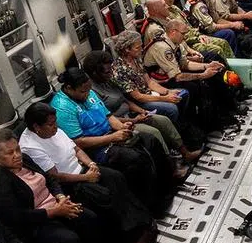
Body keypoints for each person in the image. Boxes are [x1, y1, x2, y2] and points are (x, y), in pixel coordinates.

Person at [19, 102, 157, 243]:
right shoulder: (30, 147)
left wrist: (91, 164)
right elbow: (54, 176)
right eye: (51, 125)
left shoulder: (53, 130)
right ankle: (126, 241)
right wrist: (85, 177)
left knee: (116, 178)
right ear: (37, 127)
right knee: (104, 196)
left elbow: (77, 149)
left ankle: (143, 225)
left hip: (83, 169)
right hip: (70, 183)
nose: (56, 127)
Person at [51, 68, 173, 203]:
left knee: (151, 140)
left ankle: (167, 188)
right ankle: (150, 201)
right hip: (94, 147)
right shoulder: (61, 107)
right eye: (83, 91)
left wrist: (122, 127)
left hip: (111, 134)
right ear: (69, 88)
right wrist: (112, 138)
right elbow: (78, 142)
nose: (87, 94)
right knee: (135, 159)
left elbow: (108, 116)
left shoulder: (89, 93)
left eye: (88, 89)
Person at [81, 50, 201, 167]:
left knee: (163, 121)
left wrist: (142, 111)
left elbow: (125, 100)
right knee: (154, 132)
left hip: (132, 113)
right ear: (95, 73)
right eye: (107, 72)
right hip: (121, 122)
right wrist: (135, 120)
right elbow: (107, 118)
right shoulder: (92, 92)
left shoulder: (108, 81)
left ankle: (185, 153)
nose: (111, 73)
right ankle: (170, 166)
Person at [109, 30, 191, 125]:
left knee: (183, 93)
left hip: (148, 93)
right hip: (139, 102)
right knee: (171, 109)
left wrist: (167, 92)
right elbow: (138, 97)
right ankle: (178, 128)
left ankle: (183, 123)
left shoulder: (136, 59)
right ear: (127, 49)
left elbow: (149, 82)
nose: (141, 49)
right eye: (137, 48)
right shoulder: (120, 69)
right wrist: (166, 98)